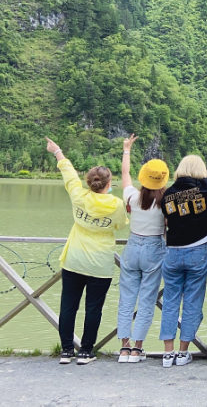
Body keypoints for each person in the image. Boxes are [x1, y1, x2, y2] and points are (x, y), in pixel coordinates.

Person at [45, 137, 129, 365]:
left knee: (68, 306)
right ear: (108, 183)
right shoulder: (116, 205)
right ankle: (86, 351)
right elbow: (121, 226)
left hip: (74, 260)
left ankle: (66, 351)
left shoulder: (78, 197)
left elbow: (69, 173)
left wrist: (57, 151)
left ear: (90, 181)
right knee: (94, 309)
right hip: (100, 264)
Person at [159, 131, 207, 368]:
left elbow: (166, 221)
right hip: (198, 252)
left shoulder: (168, 194)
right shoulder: (206, 192)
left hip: (172, 253)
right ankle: (183, 352)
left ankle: (167, 353)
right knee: (192, 301)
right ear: (200, 173)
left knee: (170, 301)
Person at [117, 134, 169, 363]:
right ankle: (138, 349)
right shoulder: (166, 201)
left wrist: (126, 149)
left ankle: (124, 348)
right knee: (147, 299)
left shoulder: (132, 196)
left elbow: (125, 175)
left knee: (126, 298)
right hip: (154, 248)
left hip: (132, 246)